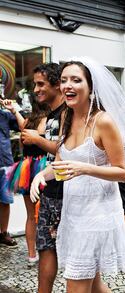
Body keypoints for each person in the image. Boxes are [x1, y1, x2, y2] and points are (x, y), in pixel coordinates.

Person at [30, 58, 125, 292]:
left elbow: (122, 172)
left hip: (96, 218)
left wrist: (84, 168)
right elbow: (60, 161)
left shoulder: (103, 121)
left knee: (77, 282)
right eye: (64, 80)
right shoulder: (66, 117)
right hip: (73, 214)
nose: (68, 85)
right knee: (95, 285)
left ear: (90, 87)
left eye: (76, 80)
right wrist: (41, 177)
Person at [25, 63, 66, 293]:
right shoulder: (52, 114)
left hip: (66, 195)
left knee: (82, 266)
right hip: (50, 190)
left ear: (57, 84)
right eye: (35, 84)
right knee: (46, 248)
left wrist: (37, 139)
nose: (36, 89)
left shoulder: (67, 113)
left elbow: (64, 150)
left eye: (41, 84)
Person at [2, 95, 49, 264]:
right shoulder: (48, 120)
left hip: (26, 169)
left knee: (31, 216)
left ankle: (31, 255)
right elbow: (43, 135)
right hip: (44, 169)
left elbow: (22, 125)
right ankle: (49, 253)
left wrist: (15, 110)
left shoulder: (28, 121)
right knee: (49, 214)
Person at [0, 99, 19, 248]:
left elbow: (23, 126)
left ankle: (3, 233)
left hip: (5, 163)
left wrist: (13, 109)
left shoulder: (5, 116)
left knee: (5, 200)